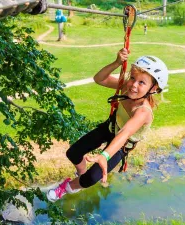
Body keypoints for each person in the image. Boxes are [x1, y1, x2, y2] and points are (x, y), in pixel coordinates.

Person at [46, 48, 168, 202]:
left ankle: (68, 187)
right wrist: (117, 63)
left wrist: (104, 155)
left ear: (154, 89)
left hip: (122, 144)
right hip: (110, 127)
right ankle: (80, 174)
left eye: (142, 82)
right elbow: (99, 79)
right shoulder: (126, 87)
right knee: (73, 153)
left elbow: (124, 133)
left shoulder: (143, 112)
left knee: (91, 178)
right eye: (133, 78)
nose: (134, 85)